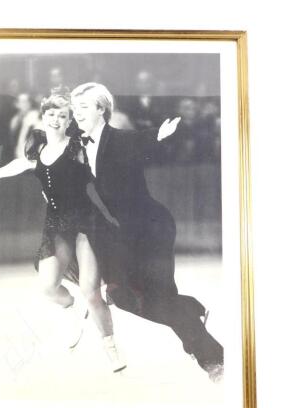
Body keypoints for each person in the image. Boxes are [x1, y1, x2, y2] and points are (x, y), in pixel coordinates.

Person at [70, 82, 224, 381]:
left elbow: (139, 140)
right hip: (124, 236)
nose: (78, 113)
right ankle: (192, 309)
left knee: (160, 298)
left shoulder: (120, 140)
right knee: (125, 297)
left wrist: (158, 134)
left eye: (84, 107)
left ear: (101, 109)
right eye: (75, 108)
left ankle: (213, 360)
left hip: (152, 229)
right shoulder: (79, 146)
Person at [0, 89, 126, 373]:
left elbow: (101, 163)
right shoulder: (38, 145)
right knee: (47, 287)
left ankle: (112, 350)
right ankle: (72, 308)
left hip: (85, 224)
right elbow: (25, 163)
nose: (55, 119)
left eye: (62, 115)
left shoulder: (79, 146)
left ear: (70, 119)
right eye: (51, 114)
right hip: (56, 225)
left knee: (91, 291)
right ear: (43, 116)